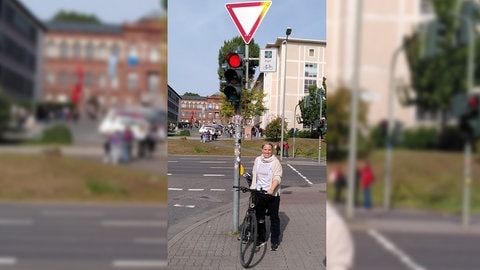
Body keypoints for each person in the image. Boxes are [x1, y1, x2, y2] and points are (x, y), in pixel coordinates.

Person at [249, 142, 283, 251]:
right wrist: (253, 188)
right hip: (260, 192)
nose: (267, 152)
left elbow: (277, 178)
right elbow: (255, 175)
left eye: (269, 150)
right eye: (265, 149)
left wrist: (272, 189)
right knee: (260, 218)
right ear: (262, 150)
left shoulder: (275, 162)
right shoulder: (258, 160)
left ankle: (274, 240)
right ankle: (261, 239)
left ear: (272, 151)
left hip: (272, 194)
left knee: (274, 218)